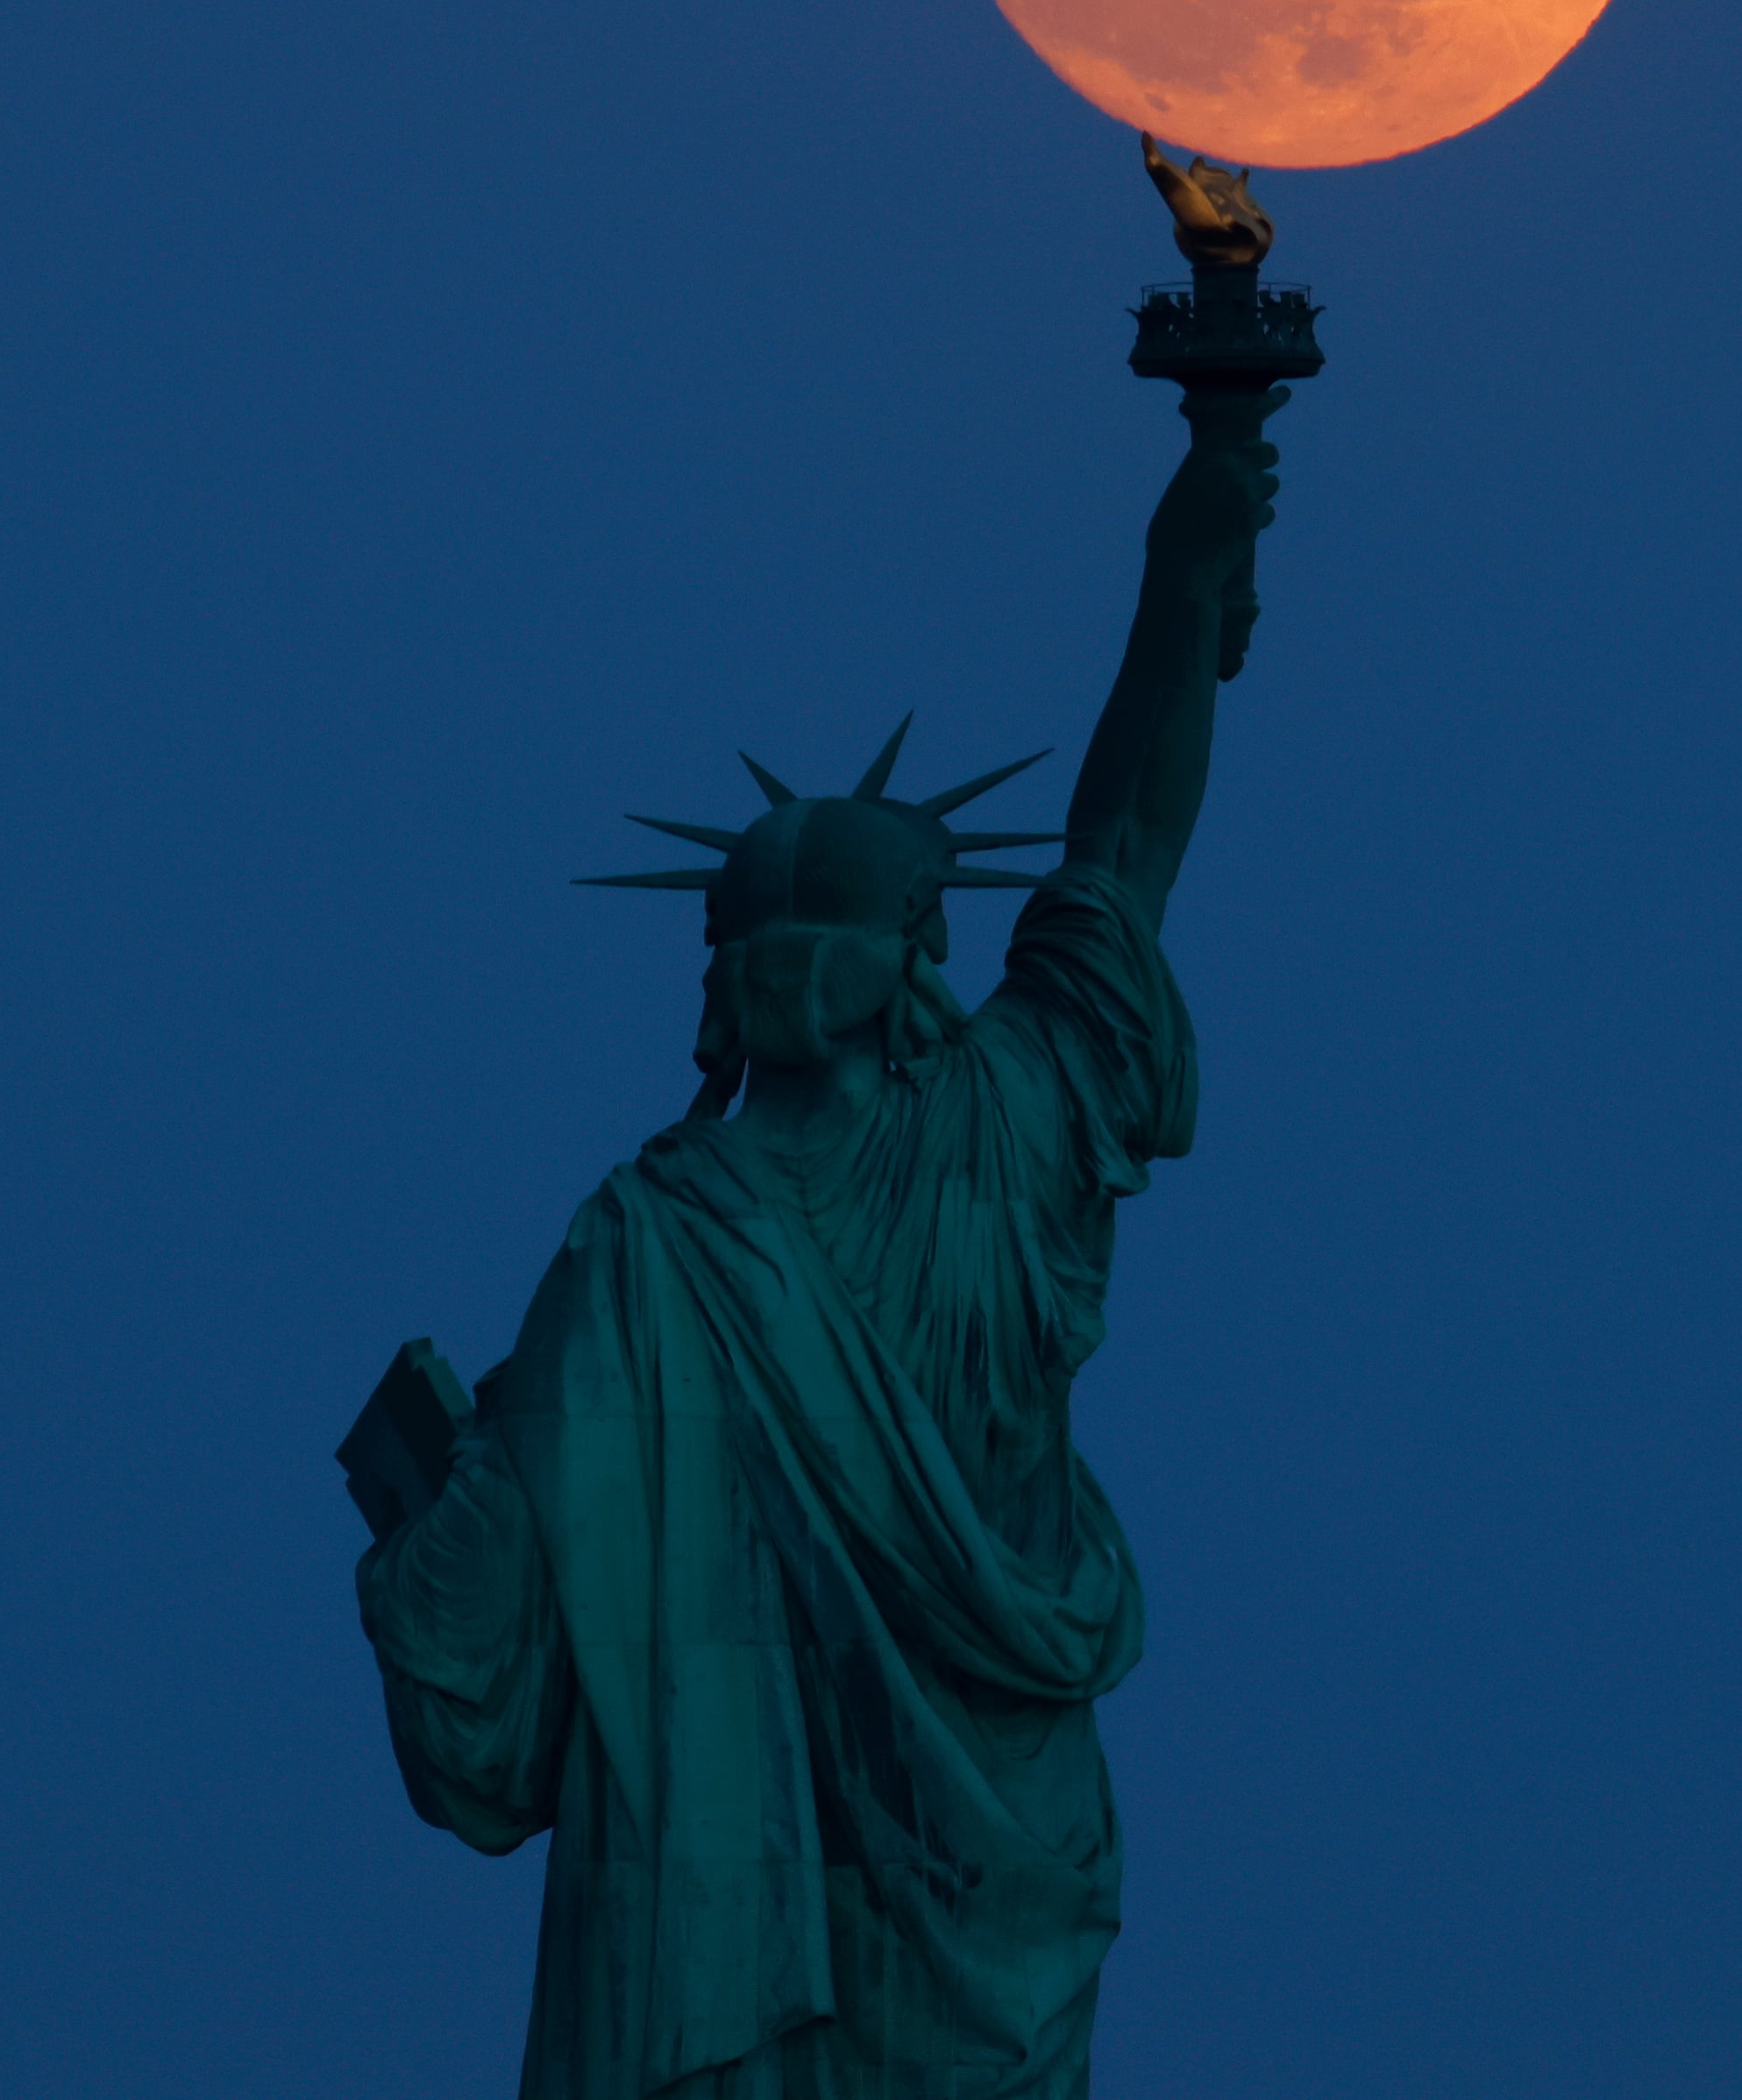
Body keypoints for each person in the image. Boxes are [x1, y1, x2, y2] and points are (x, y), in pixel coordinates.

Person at [354, 376, 1288, 2099]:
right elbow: (1127, 847)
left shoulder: (641, 1247)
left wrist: (444, 1483)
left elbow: (482, 1662)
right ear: (923, 949)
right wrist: (1186, 562)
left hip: (727, 1943)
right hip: (1001, 1862)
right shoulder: (1014, 1121)